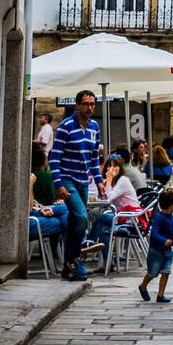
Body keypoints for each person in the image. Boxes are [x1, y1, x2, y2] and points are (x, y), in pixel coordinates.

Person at [48, 89, 105, 281]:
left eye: (92, 104)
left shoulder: (95, 127)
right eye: (86, 104)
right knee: (81, 216)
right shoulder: (65, 127)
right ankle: (75, 259)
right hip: (67, 178)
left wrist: (99, 181)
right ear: (77, 105)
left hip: (83, 181)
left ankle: (68, 267)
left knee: (74, 222)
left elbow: (94, 159)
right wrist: (58, 184)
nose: (89, 108)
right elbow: (54, 158)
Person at [139, 188, 173, 303]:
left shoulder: (171, 216)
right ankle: (143, 286)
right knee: (152, 273)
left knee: (166, 271)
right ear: (171, 205)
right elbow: (154, 234)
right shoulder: (160, 217)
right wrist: (164, 240)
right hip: (156, 251)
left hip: (167, 251)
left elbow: (172, 231)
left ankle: (160, 295)